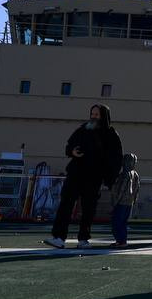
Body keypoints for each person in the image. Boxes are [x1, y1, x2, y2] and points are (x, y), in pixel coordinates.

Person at [43, 103, 122, 249]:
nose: (93, 117)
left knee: (88, 208)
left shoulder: (110, 134)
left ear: (104, 116)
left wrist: (109, 177)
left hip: (94, 176)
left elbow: (116, 157)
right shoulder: (82, 129)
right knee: (65, 205)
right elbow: (68, 147)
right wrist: (72, 152)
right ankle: (59, 237)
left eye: (97, 114)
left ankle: (83, 239)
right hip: (75, 172)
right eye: (92, 114)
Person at [109, 152, 140, 247]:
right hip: (129, 203)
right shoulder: (135, 174)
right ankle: (122, 240)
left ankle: (120, 241)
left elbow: (121, 189)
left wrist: (115, 202)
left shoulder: (124, 174)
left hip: (121, 202)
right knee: (123, 223)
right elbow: (137, 189)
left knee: (117, 222)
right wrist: (134, 201)